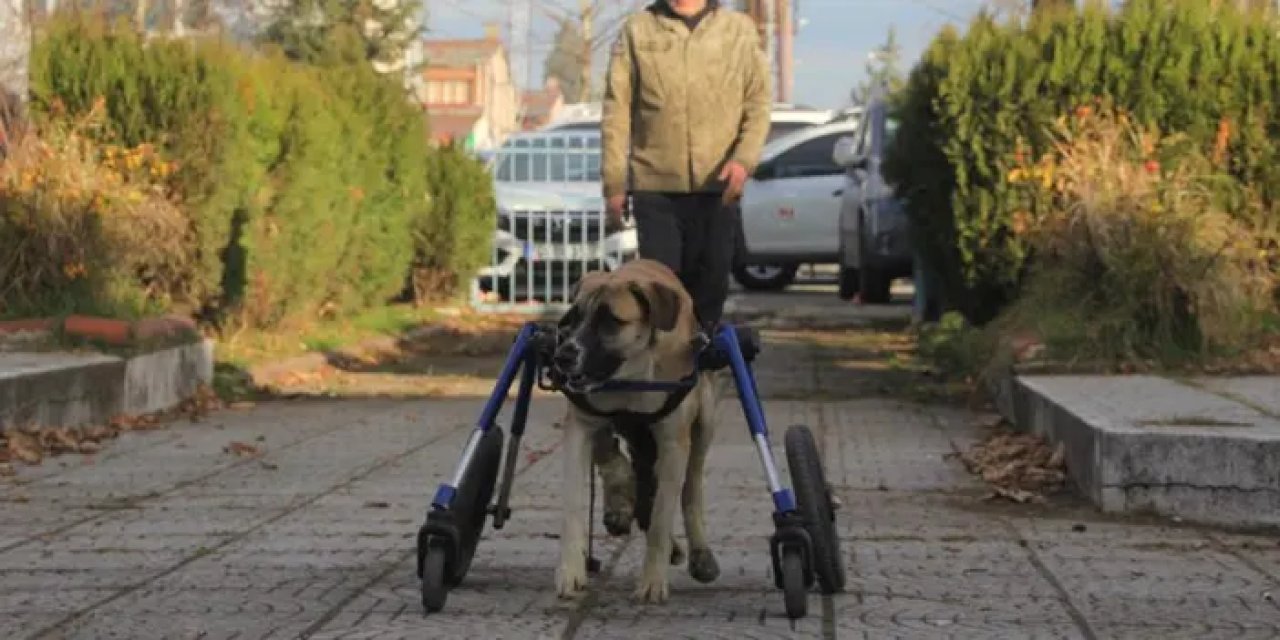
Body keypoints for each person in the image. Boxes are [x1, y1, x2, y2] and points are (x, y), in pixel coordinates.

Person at [601, 0, 772, 331]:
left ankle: (700, 369)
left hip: (718, 188)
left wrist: (743, 160)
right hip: (655, 188)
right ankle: (665, 375)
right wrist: (614, 181)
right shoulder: (638, 30)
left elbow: (758, 104)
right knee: (661, 294)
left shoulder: (737, 31)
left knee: (709, 290)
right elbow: (616, 111)